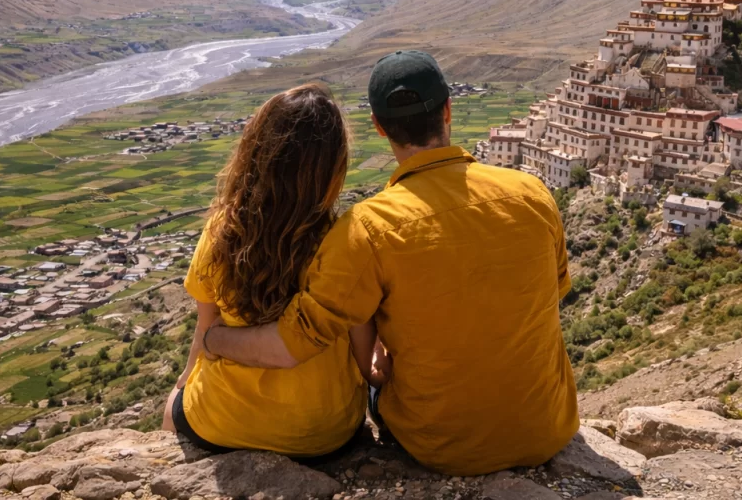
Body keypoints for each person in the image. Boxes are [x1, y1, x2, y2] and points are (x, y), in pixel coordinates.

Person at [201, 50, 578, 475]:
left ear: (379, 127)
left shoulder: (368, 227)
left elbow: (292, 345)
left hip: (440, 445)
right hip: (549, 429)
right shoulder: (532, 193)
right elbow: (556, 291)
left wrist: (214, 342)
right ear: (448, 110)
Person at [162, 84, 387, 455]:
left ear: (255, 153)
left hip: (223, 424)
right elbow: (367, 363)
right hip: (322, 433)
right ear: (333, 168)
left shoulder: (222, 231)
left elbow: (206, 330)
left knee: (174, 403)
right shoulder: (344, 242)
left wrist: (183, 385)